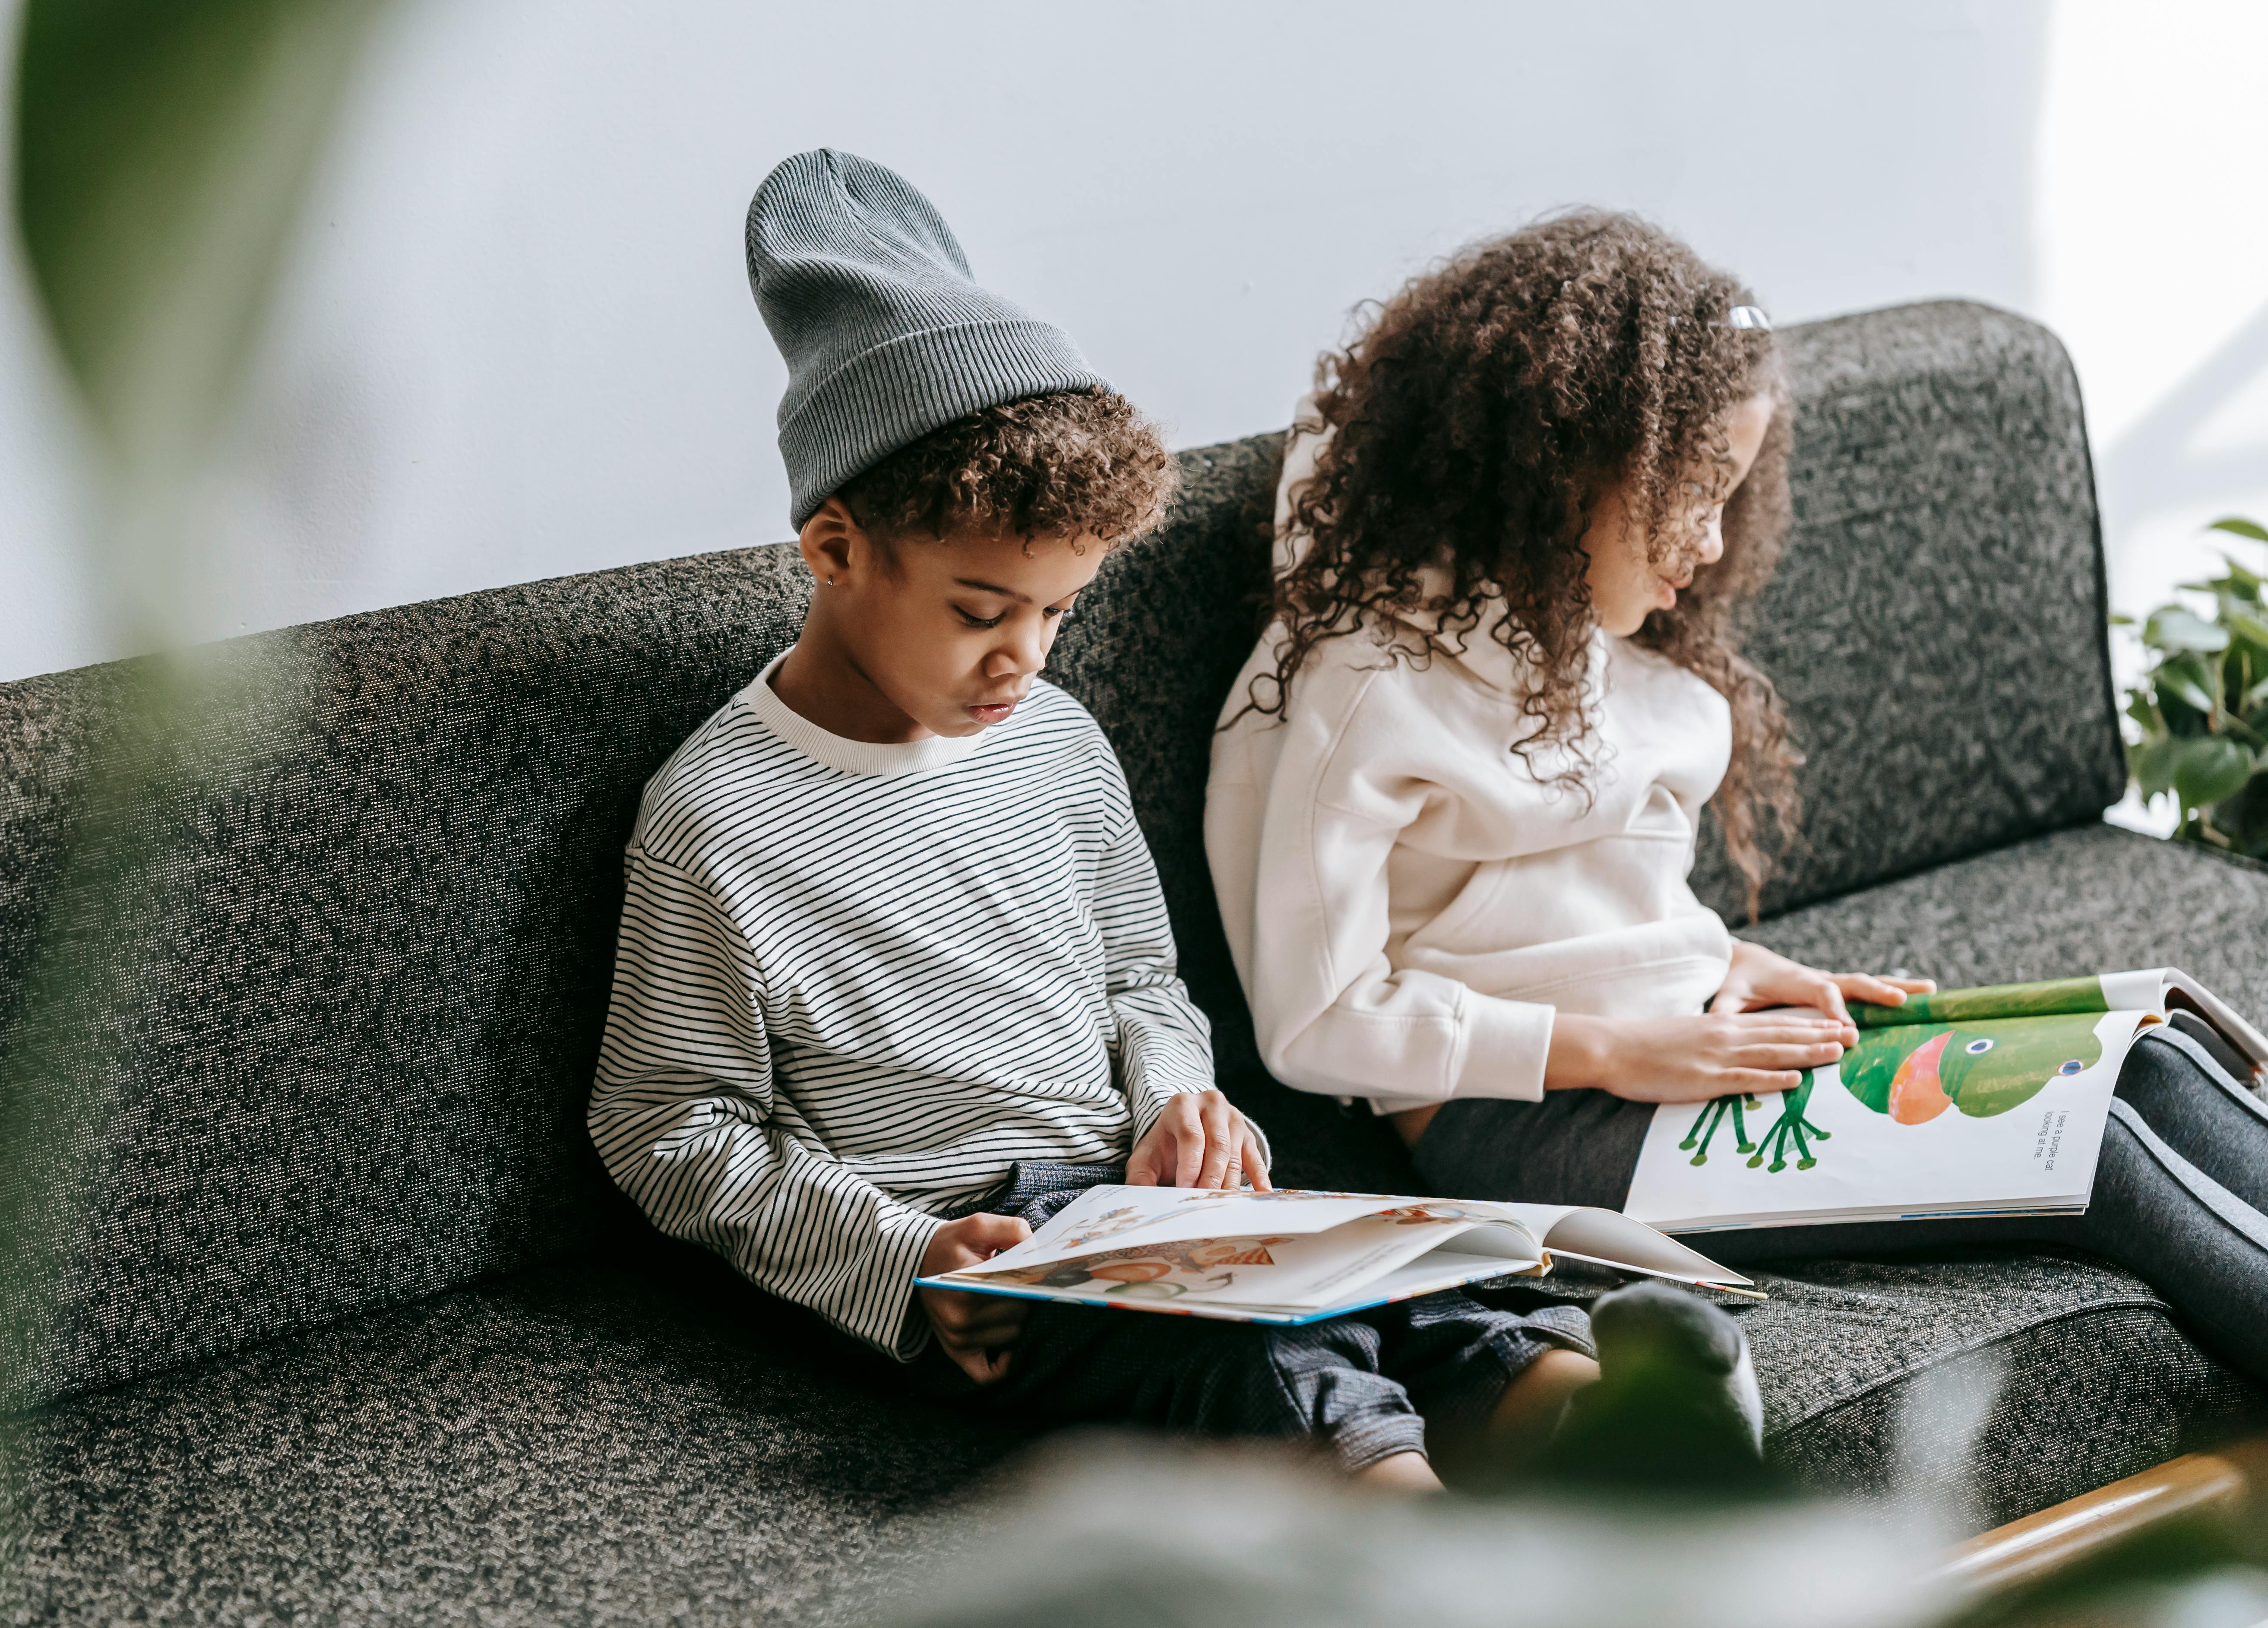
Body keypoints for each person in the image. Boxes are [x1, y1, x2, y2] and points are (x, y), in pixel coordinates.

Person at [588, 154, 1763, 1494]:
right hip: (970, 1262)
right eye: (982, 611)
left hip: (1145, 1200)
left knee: (1409, 1283)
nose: (1022, 659)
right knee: (1256, 1367)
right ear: (837, 550)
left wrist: (1177, 1102)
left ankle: (1627, 1436)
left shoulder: (1056, 742)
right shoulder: (717, 817)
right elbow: (669, 1129)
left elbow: (1144, 981)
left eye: (1059, 612)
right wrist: (900, 1255)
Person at [1207, 211, 2268, 1378]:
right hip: (1522, 1127)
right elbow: (1314, 1023)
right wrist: (1616, 1047)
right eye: (1694, 490)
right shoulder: (1361, 689)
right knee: (2089, 1149)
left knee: (2154, 1063)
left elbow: (1584, 909)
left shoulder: (1594, 648)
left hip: (1675, 1049)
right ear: (1561, 460)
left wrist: (1721, 968)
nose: (1712, 544)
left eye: (1732, 494)